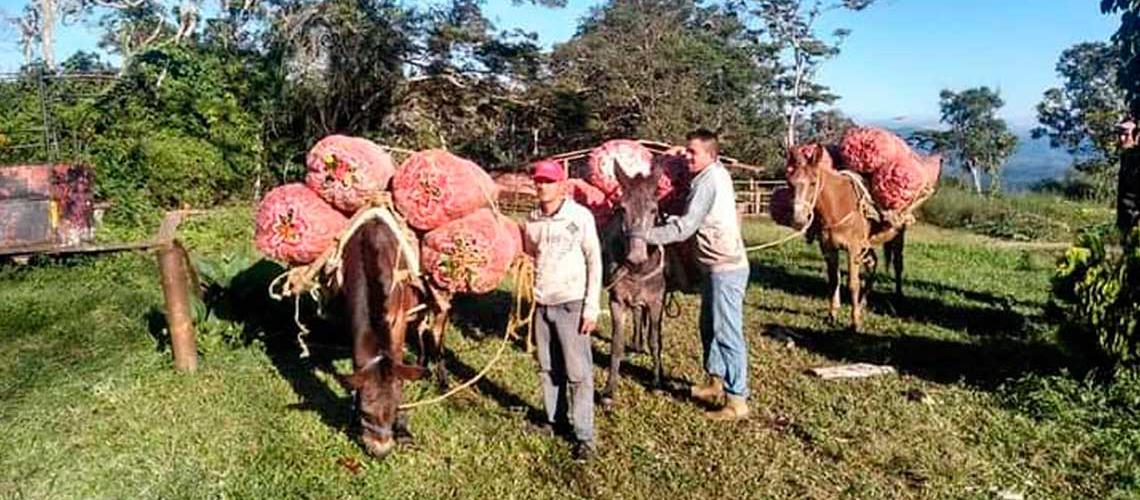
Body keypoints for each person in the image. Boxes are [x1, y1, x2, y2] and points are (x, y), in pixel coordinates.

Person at [633, 128, 752, 421]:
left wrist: (644, 234)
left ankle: (737, 400)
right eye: (686, 150)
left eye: (692, 152)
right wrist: (675, 154)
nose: (687, 155)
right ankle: (714, 382)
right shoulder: (712, 173)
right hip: (712, 266)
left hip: (726, 267)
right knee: (708, 326)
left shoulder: (708, 182)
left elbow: (685, 228)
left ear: (711, 156)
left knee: (727, 332)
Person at [522, 159, 603, 461]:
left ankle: (585, 435)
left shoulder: (579, 217)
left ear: (562, 185)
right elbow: (530, 255)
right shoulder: (532, 220)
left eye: (549, 181)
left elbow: (594, 261)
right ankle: (554, 420)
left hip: (571, 302)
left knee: (578, 372)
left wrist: (591, 306)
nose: (543, 186)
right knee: (547, 367)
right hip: (543, 303)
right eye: (539, 181)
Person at [1117, 118, 1139, 237]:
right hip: (1126, 223)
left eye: (1126, 134)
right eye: (1120, 134)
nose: (1121, 139)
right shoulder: (1126, 157)